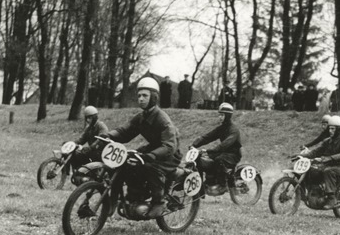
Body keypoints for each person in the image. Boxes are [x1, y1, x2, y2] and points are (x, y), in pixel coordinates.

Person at [102, 77, 182, 218]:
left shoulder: (162, 119)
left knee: (151, 167)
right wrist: (108, 136)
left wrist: (151, 156)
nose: (141, 99)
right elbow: (124, 132)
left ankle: (159, 202)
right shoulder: (141, 117)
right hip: (153, 149)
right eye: (139, 95)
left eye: (145, 95)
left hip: (169, 155)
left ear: (154, 97)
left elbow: (169, 146)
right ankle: (126, 196)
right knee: (126, 162)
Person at [302, 115, 340, 204]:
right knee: (311, 170)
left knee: (328, 171)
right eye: (329, 129)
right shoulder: (327, 141)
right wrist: (302, 156)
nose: (330, 131)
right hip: (327, 164)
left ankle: (331, 198)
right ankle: (315, 192)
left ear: (338, 129)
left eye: (333, 129)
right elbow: (316, 152)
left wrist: (329, 158)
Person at [191, 102, 242, 184]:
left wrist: (209, 150)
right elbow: (207, 137)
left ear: (228, 116)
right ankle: (206, 182)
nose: (220, 117)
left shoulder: (234, 130)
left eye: (222, 115)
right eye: (220, 115)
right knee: (202, 160)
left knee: (219, 160)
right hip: (223, 152)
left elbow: (224, 144)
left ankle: (222, 183)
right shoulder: (222, 128)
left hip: (233, 155)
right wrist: (194, 145)